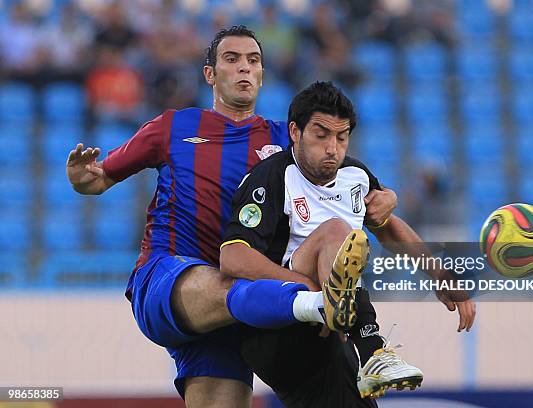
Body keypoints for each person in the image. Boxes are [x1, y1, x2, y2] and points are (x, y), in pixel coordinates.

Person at [66, 26, 398, 408]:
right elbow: (99, 179)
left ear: (261, 74)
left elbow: (366, 196)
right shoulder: (173, 126)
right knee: (231, 283)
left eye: (253, 61)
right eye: (232, 59)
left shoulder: (286, 142)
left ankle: (323, 310)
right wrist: (82, 179)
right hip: (169, 278)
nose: (244, 68)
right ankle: (319, 304)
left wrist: (388, 197)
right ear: (210, 74)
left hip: (244, 309)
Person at [220, 81, 476, 405]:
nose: (332, 149)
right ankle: (373, 348)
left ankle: (368, 348)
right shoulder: (272, 177)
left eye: (341, 137)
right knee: (338, 232)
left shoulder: (355, 175)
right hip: (278, 326)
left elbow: (388, 227)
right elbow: (233, 257)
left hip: (333, 326)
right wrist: (309, 289)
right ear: (295, 132)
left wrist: (440, 274)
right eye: (321, 134)